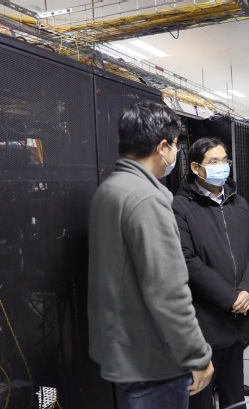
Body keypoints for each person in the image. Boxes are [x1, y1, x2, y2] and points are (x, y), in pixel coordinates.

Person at [87, 101, 213, 409]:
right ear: (162, 147)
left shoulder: (110, 189)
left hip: (123, 352)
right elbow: (168, 290)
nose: (175, 153)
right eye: (175, 146)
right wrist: (197, 355)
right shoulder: (146, 199)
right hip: (152, 362)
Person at [172, 137, 249, 409]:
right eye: (214, 161)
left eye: (225, 161)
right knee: (201, 397)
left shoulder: (239, 203)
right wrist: (230, 298)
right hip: (206, 321)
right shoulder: (180, 207)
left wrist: (248, 289)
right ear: (196, 168)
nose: (222, 166)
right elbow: (187, 261)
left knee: (234, 394)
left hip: (239, 320)